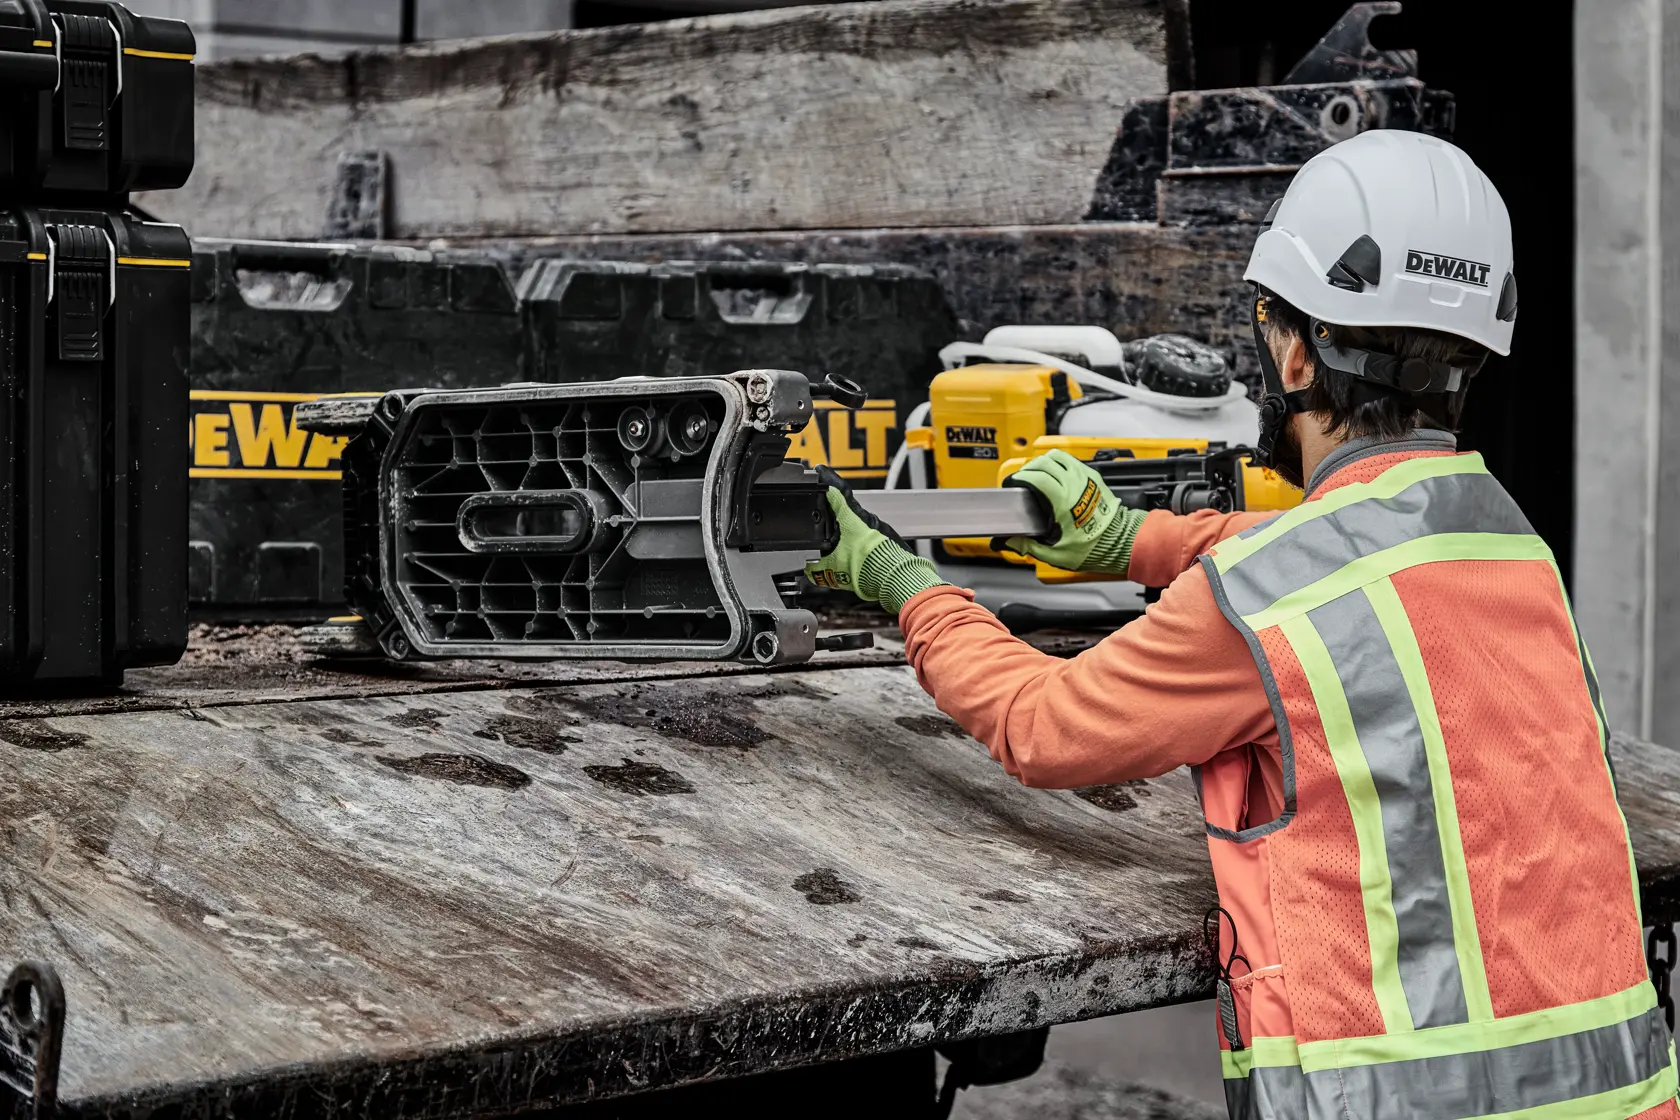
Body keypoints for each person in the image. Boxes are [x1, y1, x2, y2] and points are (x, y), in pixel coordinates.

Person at [806, 130, 1680, 1120]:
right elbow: (1343, 546)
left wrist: (900, 580)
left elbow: (1043, 726)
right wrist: (1133, 540)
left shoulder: (1264, 600)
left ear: (1296, 351)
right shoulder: (1510, 550)